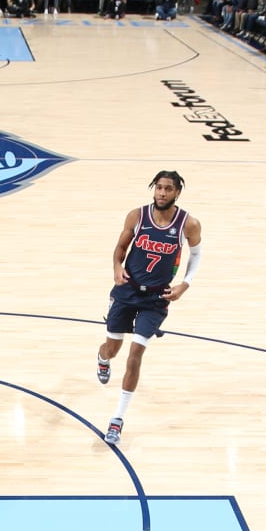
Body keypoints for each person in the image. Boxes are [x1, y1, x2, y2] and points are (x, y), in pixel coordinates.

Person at [94, 171, 204, 446]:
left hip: (156, 299)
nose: (162, 193)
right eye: (159, 188)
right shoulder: (137, 216)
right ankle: (102, 357)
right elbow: (120, 247)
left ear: (177, 192)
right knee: (114, 349)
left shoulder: (188, 223)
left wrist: (185, 284)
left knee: (136, 353)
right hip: (127, 292)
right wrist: (117, 268)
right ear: (153, 190)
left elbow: (197, 254)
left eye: (168, 189)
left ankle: (117, 420)